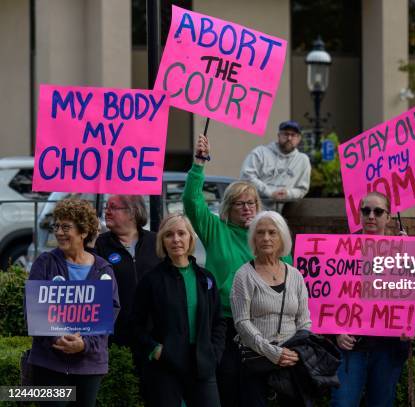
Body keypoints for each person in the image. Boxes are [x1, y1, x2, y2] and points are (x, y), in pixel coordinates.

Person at [183, 133, 292, 407]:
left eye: (252, 203)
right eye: (240, 204)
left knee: (257, 394)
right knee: (228, 386)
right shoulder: (216, 230)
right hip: (226, 323)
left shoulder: (269, 237)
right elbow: (192, 202)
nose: (246, 209)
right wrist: (199, 163)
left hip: (264, 325)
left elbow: (290, 279)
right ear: (227, 208)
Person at [27, 199, 120, 407]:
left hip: (89, 365)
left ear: (84, 231)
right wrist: (56, 338)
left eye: (66, 227)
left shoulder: (103, 269)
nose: (59, 232)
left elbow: (109, 314)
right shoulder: (45, 264)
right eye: (57, 226)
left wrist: (84, 344)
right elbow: (34, 310)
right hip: (49, 363)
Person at [132, 213, 226, 407]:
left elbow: (218, 321)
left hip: (203, 363)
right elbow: (135, 324)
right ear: (162, 241)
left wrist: (214, 353)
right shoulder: (152, 280)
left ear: (190, 237)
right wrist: (154, 349)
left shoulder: (205, 278)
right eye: (169, 235)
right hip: (166, 365)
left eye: (181, 233)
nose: (176, 239)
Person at [330, 192, 409, 407]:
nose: (371, 216)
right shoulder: (341, 250)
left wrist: (405, 258)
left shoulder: (402, 251)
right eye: (366, 211)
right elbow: (328, 296)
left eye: (378, 211)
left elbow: (414, 299)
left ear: (389, 217)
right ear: (360, 214)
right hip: (351, 347)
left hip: (387, 348)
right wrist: (337, 330)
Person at [231, 211, 311, 406]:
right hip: (257, 362)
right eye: (260, 232)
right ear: (253, 238)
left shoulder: (296, 276)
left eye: (272, 232)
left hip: (291, 363)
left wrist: (297, 353)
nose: (266, 238)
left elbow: (304, 321)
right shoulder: (244, 276)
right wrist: (272, 352)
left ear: (282, 237)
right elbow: (242, 322)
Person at [95, 195, 159, 348]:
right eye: (106, 207)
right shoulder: (100, 244)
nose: (107, 212)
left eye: (113, 207)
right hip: (116, 333)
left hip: (152, 334)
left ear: (133, 212)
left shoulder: (156, 241)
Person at [239, 120, 311, 202]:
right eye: (286, 134)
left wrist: (288, 193)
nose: (289, 138)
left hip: (287, 211)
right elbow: (246, 177)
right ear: (279, 135)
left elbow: (302, 189)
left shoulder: (303, 160)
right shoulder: (260, 153)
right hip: (257, 208)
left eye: (293, 135)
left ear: (299, 139)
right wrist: (270, 193)